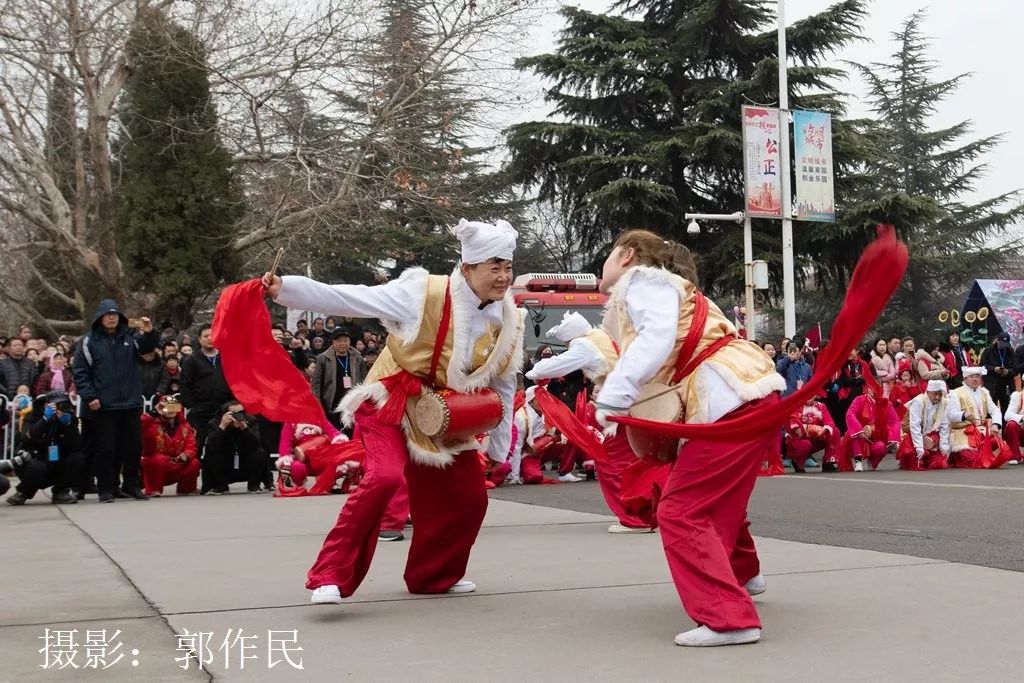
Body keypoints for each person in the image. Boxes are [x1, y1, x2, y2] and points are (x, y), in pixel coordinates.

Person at [263, 218, 521, 605]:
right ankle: (329, 576)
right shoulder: (424, 293)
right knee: (383, 479)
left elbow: (504, 381)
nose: (503, 277)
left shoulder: (507, 316)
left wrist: (499, 448)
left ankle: (433, 576)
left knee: (471, 498)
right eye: (494, 268)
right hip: (390, 400)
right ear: (467, 268)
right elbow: (353, 298)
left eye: (508, 267)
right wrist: (287, 289)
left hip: (443, 414)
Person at [592, 229, 785, 647]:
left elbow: (656, 339)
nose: (604, 264)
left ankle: (728, 619)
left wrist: (615, 396)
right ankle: (744, 575)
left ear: (626, 256)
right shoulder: (674, 289)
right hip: (748, 394)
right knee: (716, 501)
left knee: (681, 511)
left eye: (609, 255)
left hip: (728, 400)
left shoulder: (643, 281)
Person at [525, 311, 650, 530]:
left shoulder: (584, 346)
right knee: (633, 462)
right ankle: (646, 513)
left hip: (621, 409)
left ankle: (634, 518)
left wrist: (532, 372)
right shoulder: (602, 337)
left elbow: (551, 367)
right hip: (634, 404)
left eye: (566, 342)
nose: (566, 345)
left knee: (610, 461)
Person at [72, 301, 158, 502]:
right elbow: (80, 372)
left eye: (115, 314)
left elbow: (147, 348)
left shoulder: (130, 337)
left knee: (132, 447)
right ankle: (106, 488)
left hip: (130, 402)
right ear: (100, 318)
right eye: (107, 314)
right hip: (104, 405)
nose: (112, 317)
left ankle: (130, 485)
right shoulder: (89, 341)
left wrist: (149, 332)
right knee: (106, 449)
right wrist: (90, 396)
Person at [5, 392, 85, 506]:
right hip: (35, 461)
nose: (61, 407)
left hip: (56, 463)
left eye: (64, 404)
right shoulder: (32, 416)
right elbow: (27, 439)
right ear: (47, 404)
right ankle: (23, 492)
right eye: (58, 404)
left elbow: (76, 445)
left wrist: (68, 425)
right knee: (37, 466)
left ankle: (61, 491)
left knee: (78, 458)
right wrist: (44, 420)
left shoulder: (69, 418)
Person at [180, 325, 233, 464]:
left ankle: (221, 480)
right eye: (206, 336)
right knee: (197, 443)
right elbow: (185, 385)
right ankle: (191, 476)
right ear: (199, 339)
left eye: (213, 335)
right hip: (200, 409)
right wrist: (190, 405)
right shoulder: (191, 360)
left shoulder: (226, 357)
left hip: (223, 407)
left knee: (223, 443)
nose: (210, 338)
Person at [140, 395, 200, 496]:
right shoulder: (150, 424)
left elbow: (191, 445)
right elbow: (139, 424)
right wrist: (154, 412)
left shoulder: (185, 426)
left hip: (177, 463)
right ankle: (153, 490)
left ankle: (186, 489)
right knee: (159, 460)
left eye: (173, 407)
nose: (170, 410)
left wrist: (186, 455)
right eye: (166, 407)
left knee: (194, 462)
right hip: (154, 465)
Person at [202, 400, 267, 493]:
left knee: (259, 452)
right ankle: (221, 486)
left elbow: (257, 443)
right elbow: (211, 446)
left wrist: (245, 428)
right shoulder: (214, 423)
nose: (238, 415)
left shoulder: (251, 420)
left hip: (245, 462)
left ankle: (254, 485)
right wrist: (222, 427)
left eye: (241, 412)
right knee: (212, 455)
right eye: (233, 413)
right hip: (225, 463)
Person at [947, 367, 1005, 468]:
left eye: (977, 377)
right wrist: (963, 415)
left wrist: (995, 425)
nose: (975, 379)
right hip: (964, 432)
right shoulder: (956, 393)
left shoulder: (984, 393)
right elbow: (951, 414)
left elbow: (995, 411)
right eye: (971, 377)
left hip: (981, 431)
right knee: (973, 459)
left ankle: (978, 453)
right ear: (965, 379)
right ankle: (957, 455)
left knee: (996, 442)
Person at [312, 328, 367, 430]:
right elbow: (316, 384)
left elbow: (365, 381)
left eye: (345, 340)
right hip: (331, 406)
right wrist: (318, 406)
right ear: (333, 342)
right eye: (339, 341)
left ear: (349, 342)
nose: (342, 344)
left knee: (352, 438)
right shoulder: (323, 359)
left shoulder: (358, 358)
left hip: (352, 407)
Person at [840, 381, 900, 472]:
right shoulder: (859, 399)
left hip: (876, 436)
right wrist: (859, 429)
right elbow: (850, 414)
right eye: (871, 388)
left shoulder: (886, 403)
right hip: (860, 435)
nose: (873, 391)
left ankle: (872, 462)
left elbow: (895, 420)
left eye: (876, 388)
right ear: (867, 389)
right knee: (853, 434)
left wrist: (891, 435)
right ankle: (858, 461)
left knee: (880, 447)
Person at [897, 380, 950, 470]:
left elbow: (944, 426)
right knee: (915, 464)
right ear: (928, 392)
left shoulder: (944, 403)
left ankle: (928, 455)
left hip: (932, 438)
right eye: (935, 394)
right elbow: (914, 425)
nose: (937, 397)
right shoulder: (919, 401)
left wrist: (944, 445)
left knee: (940, 464)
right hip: (913, 436)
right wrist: (919, 446)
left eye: (940, 394)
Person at [784, 394, 839, 472]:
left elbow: (829, 421)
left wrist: (824, 430)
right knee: (805, 444)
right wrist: (800, 428)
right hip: (799, 437)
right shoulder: (796, 406)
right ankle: (798, 462)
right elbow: (791, 422)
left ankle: (828, 462)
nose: (808, 397)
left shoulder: (821, 406)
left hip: (816, 437)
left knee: (835, 431)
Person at [980, 333, 1015, 411]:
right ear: (997, 341)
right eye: (1001, 343)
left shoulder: (1011, 351)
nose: (1003, 346)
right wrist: (994, 369)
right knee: (992, 410)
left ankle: (1005, 423)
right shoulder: (988, 351)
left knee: (1007, 410)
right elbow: (982, 366)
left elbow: (1015, 369)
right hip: (992, 385)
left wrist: (1007, 371)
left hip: (1006, 386)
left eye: (1005, 344)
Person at [1003, 383, 1023, 465]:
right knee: (1011, 425)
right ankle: (1014, 455)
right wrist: (1022, 418)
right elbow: (1007, 415)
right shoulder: (1018, 396)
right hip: (1022, 429)